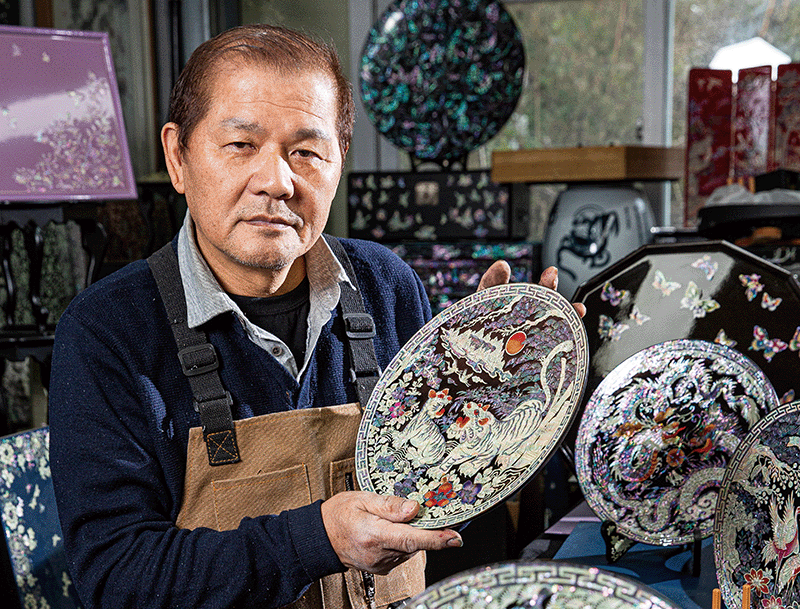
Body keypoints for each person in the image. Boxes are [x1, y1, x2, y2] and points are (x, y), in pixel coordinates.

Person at [48, 24, 583, 609]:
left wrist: (497, 404)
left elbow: (444, 508)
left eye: (305, 152)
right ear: (178, 157)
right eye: (241, 145)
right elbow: (116, 578)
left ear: (339, 163)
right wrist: (315, 540)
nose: (277, 182)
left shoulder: (386, 287)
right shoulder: (107, 332)